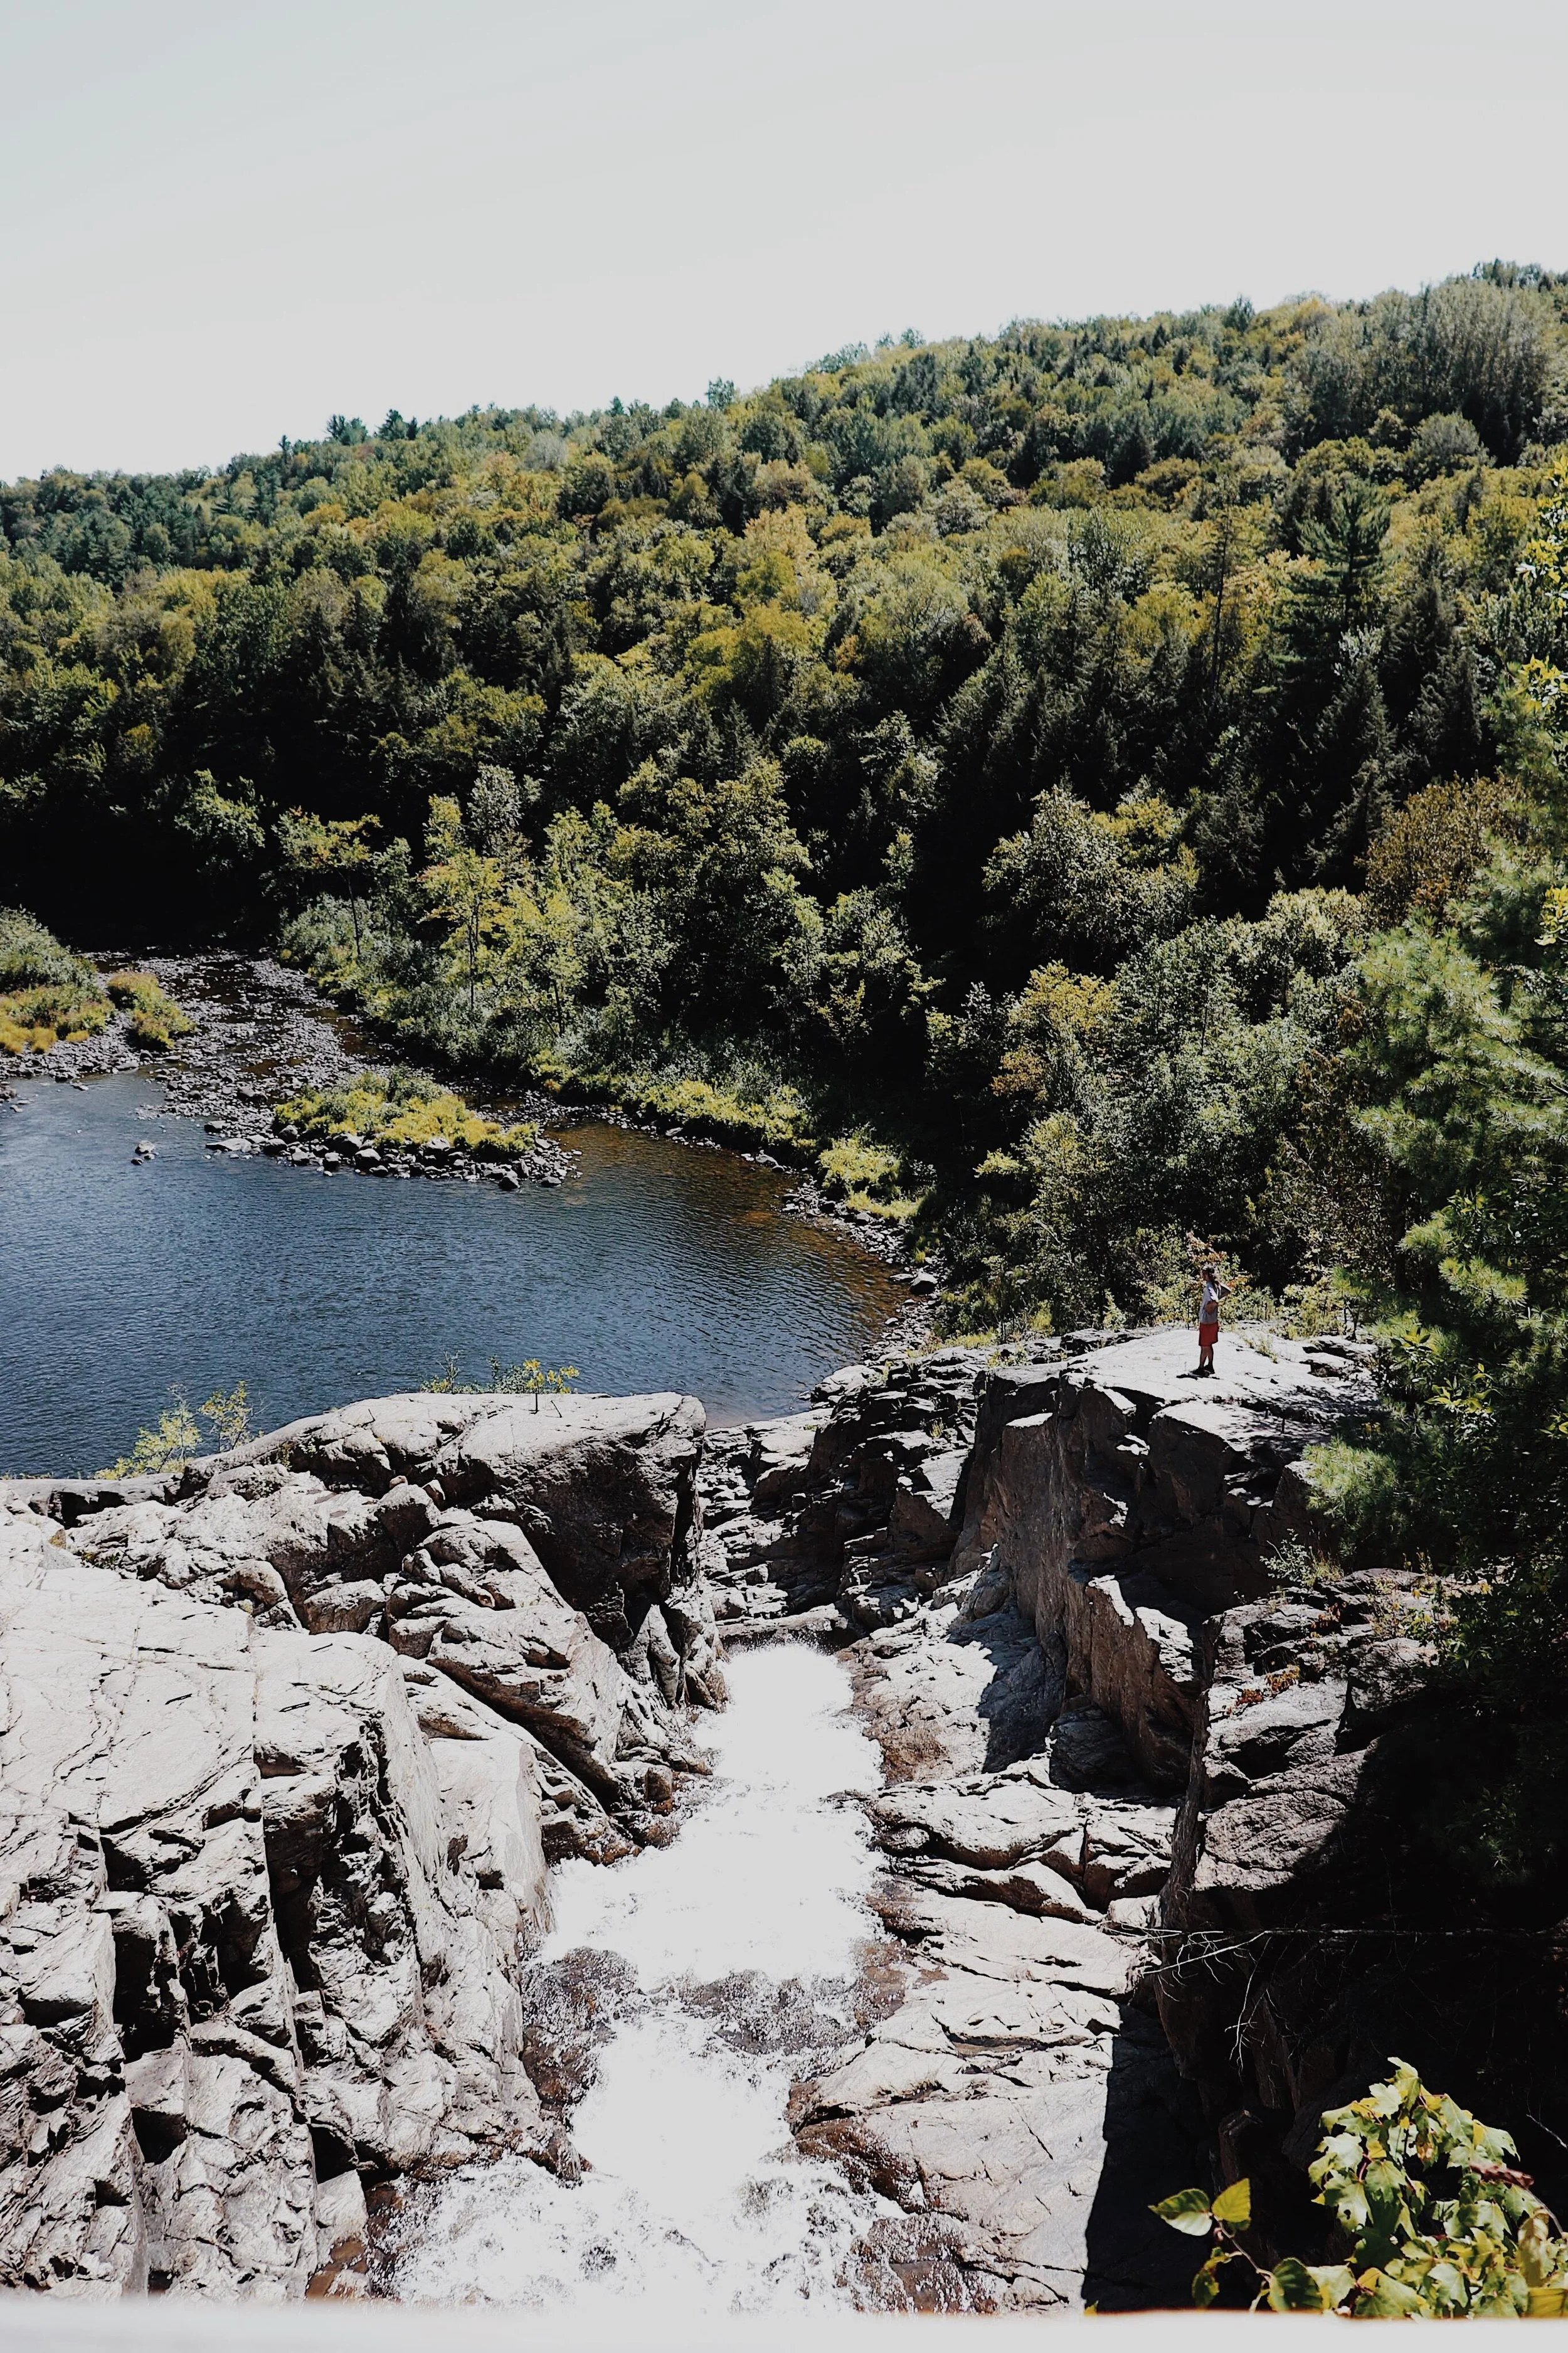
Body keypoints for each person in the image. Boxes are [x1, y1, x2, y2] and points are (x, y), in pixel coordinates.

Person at [1195, 1262, 1229, 1376]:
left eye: (1202, 1273)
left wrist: (1209, 1307)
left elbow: (1215, 1300)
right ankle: (1210, 1366)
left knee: (1204, 1346)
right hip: (1213, 1322)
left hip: (1206, 1321)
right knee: (1208, 1345)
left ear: (1206, 1275)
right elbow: (1227, 1290)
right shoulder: (1217, 1285)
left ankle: (1201, 1368)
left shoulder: (1210, 1286)